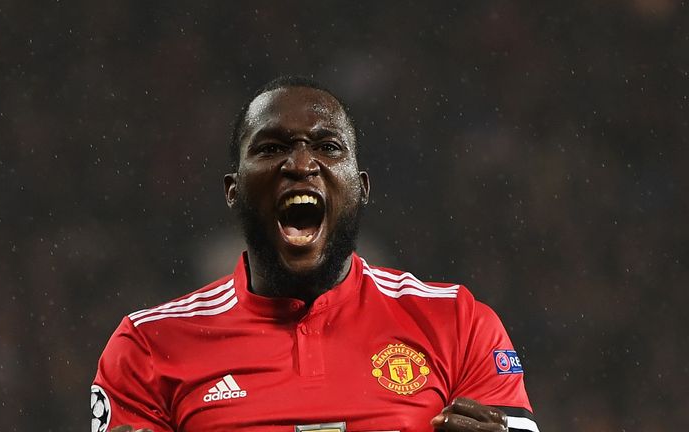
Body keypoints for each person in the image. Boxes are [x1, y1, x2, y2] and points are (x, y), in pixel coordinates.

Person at [91, 76, 540, 432]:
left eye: (327, 147)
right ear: (233, 190)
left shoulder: (457, 325)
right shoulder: (148, 347)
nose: (301, 164)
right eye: (272, 147)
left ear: (361, 188)